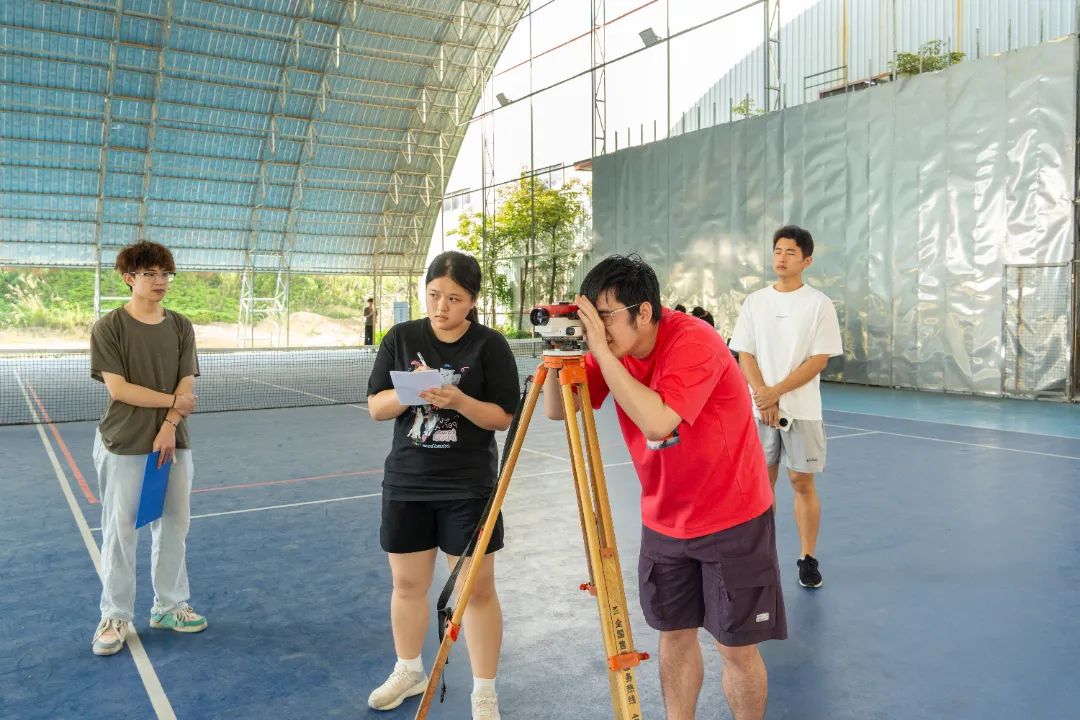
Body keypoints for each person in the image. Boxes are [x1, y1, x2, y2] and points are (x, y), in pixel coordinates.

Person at [543, 254, 785, 720]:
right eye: (592, 317)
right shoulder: (615, 350)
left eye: (605, 316)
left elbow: (658, 422)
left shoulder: (694, 341)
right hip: (665, 519)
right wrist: (561, 353)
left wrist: (600, 352)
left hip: (731, 516)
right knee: (674, 636)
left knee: (735, 648)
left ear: (644, 311)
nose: (598, 329)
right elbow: (559, 409)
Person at [365, 251, 521, 719]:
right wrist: (410, 391)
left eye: (454, 298)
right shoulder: (401, 337)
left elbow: (503, 416)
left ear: (472, 301)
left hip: (467, 488)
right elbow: (376, 407)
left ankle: (484, 691)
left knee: (477, 590)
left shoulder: (490, 345)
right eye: (434, 295)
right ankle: (408, 670)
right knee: (407, 584)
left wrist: (458, 400)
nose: (441, 306)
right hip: (407, 483)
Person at [88, 240, 205, 657]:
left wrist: (170, 425)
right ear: (129, 278)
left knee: (174, 524)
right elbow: (120, 390)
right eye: (150, 274)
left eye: (165, 274)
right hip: (124, 442)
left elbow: (186, 383)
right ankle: (115, 615)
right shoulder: (109, 327)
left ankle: (169, 606)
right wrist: (174, 403)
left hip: (173, 441)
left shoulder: (181, 326)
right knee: (120, 532)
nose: (160, 281)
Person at [730, 225, 843, 589]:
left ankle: (807, 557)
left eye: (790, 252)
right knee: (761, 484)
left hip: (802, 410)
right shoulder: (755, 302)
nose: (782, 257)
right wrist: (762, 394)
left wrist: (775, 392)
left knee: (801, 481)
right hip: (760, 409)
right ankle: (762, 557)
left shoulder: (819, 304)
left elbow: (819, 359)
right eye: (778, 250)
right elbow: (745, 352)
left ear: (806, 260)